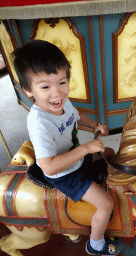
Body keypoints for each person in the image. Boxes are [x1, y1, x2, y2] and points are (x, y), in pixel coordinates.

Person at [12, 40, 122, 256]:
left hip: (76, 160)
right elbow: (50, 168)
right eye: (45, 87)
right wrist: (85, 149)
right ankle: (95, 245)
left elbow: (76, 115)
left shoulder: (62, 102)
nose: (57, 93)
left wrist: (94, 126)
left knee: (109, 153)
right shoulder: (39, 123)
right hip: (64, 174)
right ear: (28, 90)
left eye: (62, 82)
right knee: (106, 204)